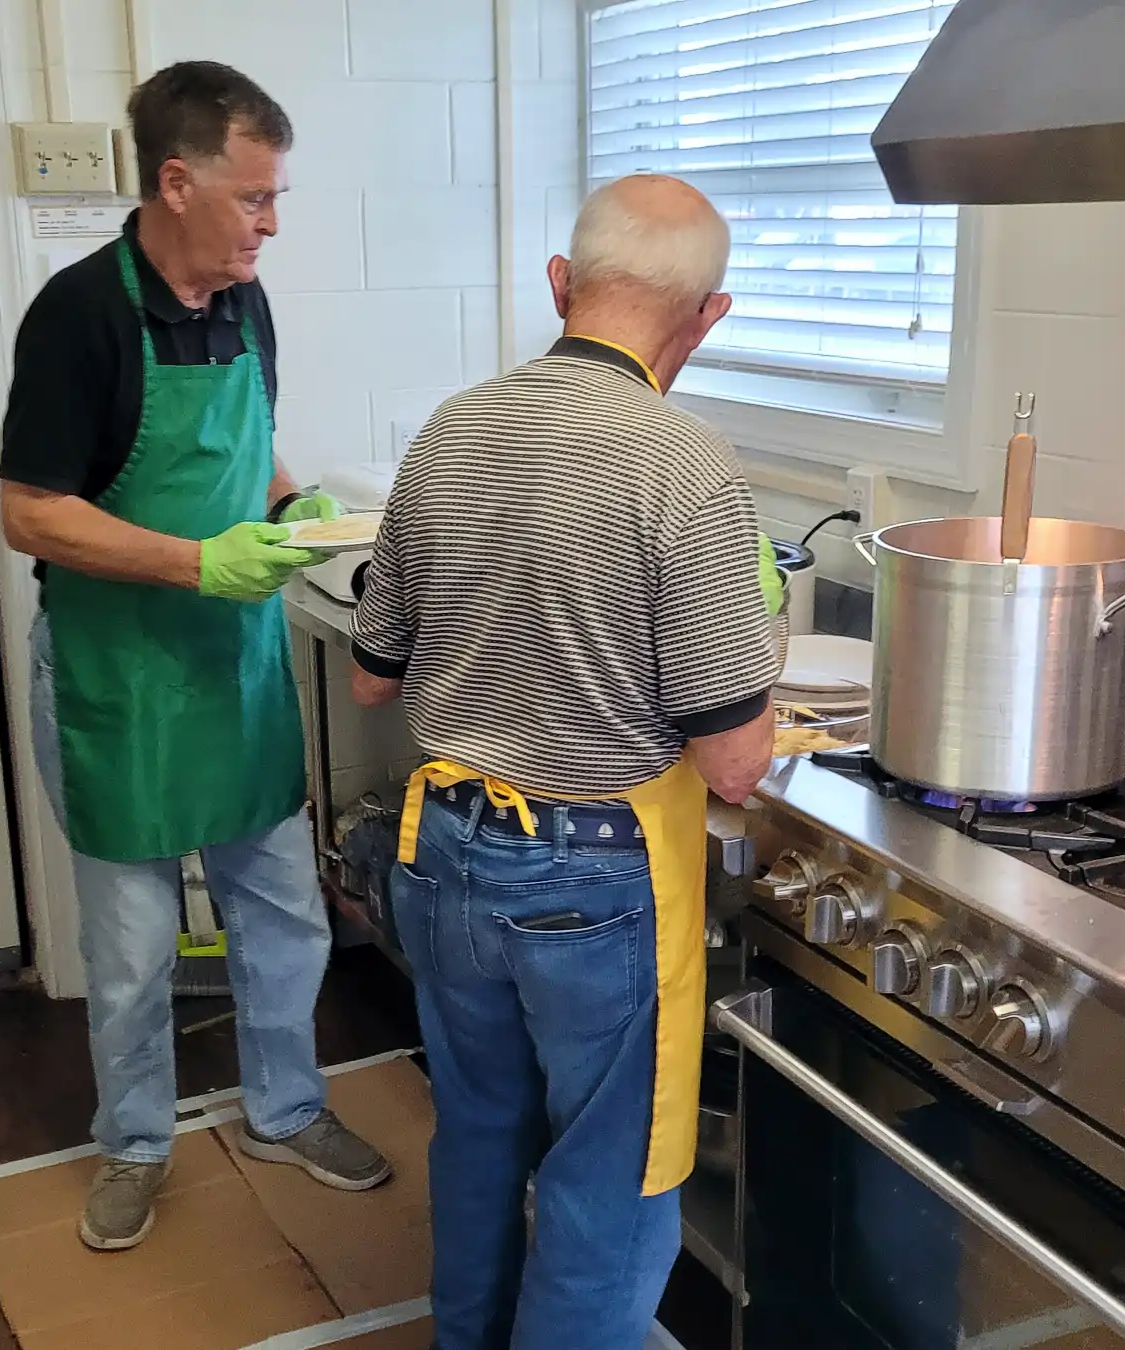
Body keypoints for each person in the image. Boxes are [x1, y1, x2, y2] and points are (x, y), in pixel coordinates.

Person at [350, 173, 779, 1350]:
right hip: (590, 884)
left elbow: (372, 673)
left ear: (561, 284)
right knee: (608, 1179)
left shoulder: (452, 427)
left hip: (442, 857)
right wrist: (760, 635)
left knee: (481, 1135)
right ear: (708, 317)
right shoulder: (685, 464)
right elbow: (736, 763)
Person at [0, 61, 390, 1253]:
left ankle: (287, 1108)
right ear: (177, 182)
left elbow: (253, 448)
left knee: (282, 917)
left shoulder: (245, 300)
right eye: (254, 198)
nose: (272, 224)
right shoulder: (77, 316)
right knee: (132, 950)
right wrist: (194, 563)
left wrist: (298, 504)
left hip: (235, 670)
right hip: (121, 679)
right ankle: (132, 1143)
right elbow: (31, 511)